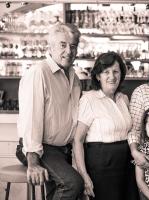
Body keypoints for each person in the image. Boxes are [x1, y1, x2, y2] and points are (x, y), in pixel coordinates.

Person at [16, 23, 84, 199]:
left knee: (61, 190)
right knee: (72, 184)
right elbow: (32, 118)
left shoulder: (75, 78)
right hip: (39, 147)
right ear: (50, 47)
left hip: (62, 150)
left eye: (73, 46)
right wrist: (33, 161)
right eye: (63, 45)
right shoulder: (39, 72)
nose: (69, 51)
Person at [73, 52, 139, 200]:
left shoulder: (124, 99)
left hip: (126, 164)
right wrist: (84, 175)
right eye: (106, 72)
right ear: (98, 76)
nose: (112, 76)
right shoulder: (89, 99)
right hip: (101, 167)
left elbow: (130, 131)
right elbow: (78, 140)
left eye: (116, 71)